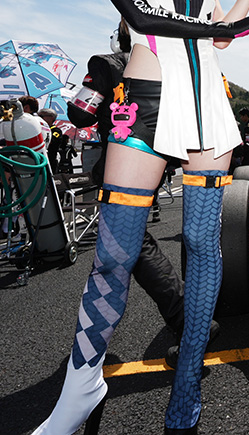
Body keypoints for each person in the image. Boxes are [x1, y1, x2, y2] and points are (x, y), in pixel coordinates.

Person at [35, 0, 249, 435]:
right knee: (115, 254)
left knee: (202, 245)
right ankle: (81, 385)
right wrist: (237, 25)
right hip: (143, 105)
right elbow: (144, 19)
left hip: (207, 110)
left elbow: (219, 36)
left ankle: (188, 382)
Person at [66, 23, 193, 358]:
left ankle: (187, 320)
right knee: (133, 241)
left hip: (121, 163)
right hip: (158, 159)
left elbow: (79, 114)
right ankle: (187, 317)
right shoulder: (169, 65)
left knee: (126, 244)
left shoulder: (105, 63)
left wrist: (81, 94)